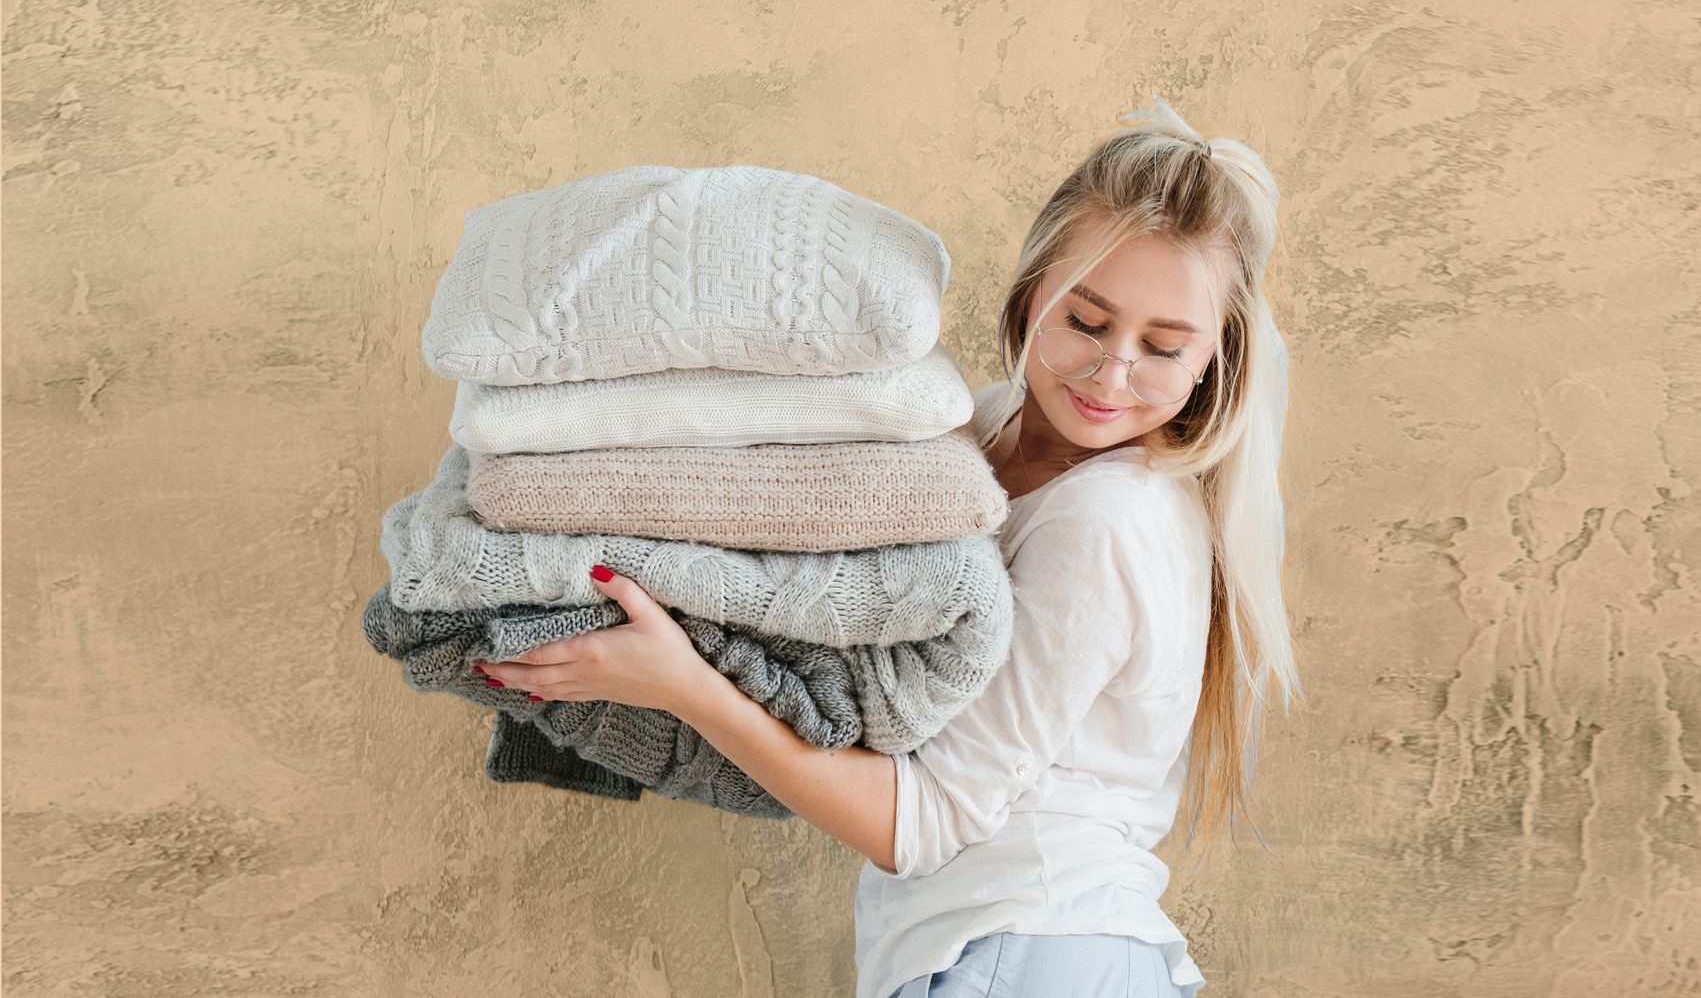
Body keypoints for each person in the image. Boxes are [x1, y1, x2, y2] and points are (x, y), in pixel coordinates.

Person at [473, 95, 1301, 997]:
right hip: (1011, 953)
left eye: (1164, 347)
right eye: (1088, 323)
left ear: (1212, 363)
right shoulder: (972, 432)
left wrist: (679, 683)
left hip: (1032, 951)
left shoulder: (1109, 519)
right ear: (1031, 296)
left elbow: (928, 821)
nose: (1112, 374)